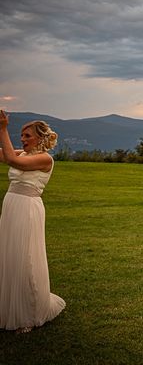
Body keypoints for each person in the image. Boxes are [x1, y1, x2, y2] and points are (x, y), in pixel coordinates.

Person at [0, 110, 65, 333]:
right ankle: (9, 306)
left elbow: (10, 160)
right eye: (21, 135)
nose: (23, 139)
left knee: (25, 256)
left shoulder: (45, 159)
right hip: (11, 206)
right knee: (9, 254)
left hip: (28, 208)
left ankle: (28, 313)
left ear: (40, 138)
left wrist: (3, 129)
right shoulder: (24, 155)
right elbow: (4, 154)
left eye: (27, 136)